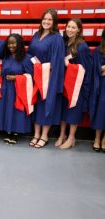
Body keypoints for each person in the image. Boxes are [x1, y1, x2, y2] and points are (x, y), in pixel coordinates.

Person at [27, 8, 65, 149]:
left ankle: (44, 135)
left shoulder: (57, 38)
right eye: (45, 19)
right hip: (36, 76)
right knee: (37, 105)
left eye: (50, 19)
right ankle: (36, 134)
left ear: (54, 22)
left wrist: (45, 69)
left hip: (48, 78)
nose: (47, 21)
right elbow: (30, 54)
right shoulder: (36, 35)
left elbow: (57, 61)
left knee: (46, 105)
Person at [55, 18, 92, 149]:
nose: (70, 29)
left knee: (73, 112)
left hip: (77, 87)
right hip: (64, 84)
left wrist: (69, 65)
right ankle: (62, 135)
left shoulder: (82, 47)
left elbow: (86, 69)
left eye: (73, 27)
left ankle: (71, 138)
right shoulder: (64, 43)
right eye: (68, 27)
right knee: (63, 111)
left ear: (79, 30)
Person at [0, 34, 34, 144]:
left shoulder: (26, 58)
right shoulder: (6, 57)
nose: (10, 46)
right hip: (7, 89)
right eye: (9, 43)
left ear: (19, 44)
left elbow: (31, 76)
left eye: (13, 43)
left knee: (17, 111)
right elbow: (2, 70)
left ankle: (16, 133)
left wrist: (16, 78)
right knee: (8, 110)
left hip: (19, 89)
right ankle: (8, 131)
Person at [90, 28, 105, 152]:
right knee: (100, 111)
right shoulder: (98, 51)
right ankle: (97, 138)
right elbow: (98, 70)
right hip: (102, 85)